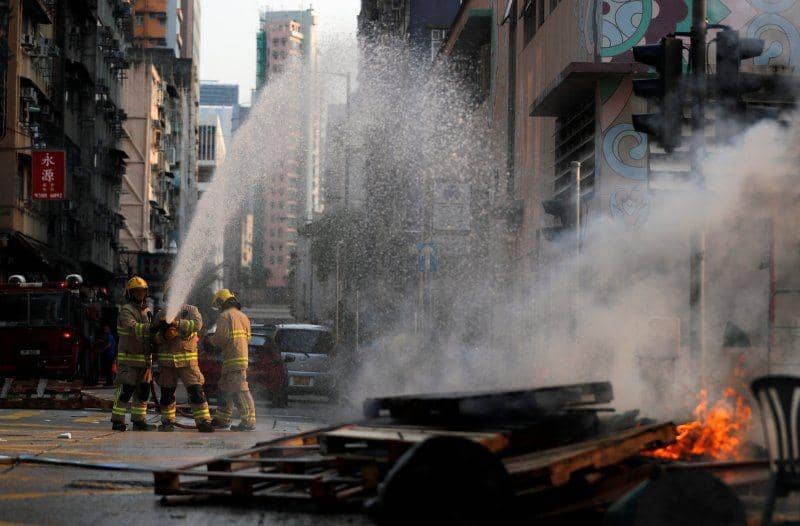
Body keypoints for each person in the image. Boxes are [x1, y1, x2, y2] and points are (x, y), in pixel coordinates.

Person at [153, 282, 213, 433]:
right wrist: (163, 336)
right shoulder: (161, 314)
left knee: (196, 392)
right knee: (166, 394)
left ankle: (203, 422)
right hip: (167, 363)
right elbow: (152, 336)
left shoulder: (191, 310)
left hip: (188, 363)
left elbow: (197, 325)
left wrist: (177, 323)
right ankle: (167, 422)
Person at [207, 289, 256, 431]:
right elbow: (248, 338)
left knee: (239, 389)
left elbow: (220, 338)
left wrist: (210, 341)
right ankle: (222, 418)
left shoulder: (224, 316)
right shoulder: (243, 316)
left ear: (222, 303)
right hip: (239, 358)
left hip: (232, 359)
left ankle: (249, 420)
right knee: (224, 388)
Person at [111, 276, 155, 432]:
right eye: (136, 292)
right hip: (129, 360)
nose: (140, 295)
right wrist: (151, 328)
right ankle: (117, 420)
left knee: (143, 393)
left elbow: (151, 335)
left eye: (142, 292)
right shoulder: (126, 311)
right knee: (125, 391)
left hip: (145, 361)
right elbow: (133, 327)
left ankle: (139, 420)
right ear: (130, 294)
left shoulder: (147, 312)